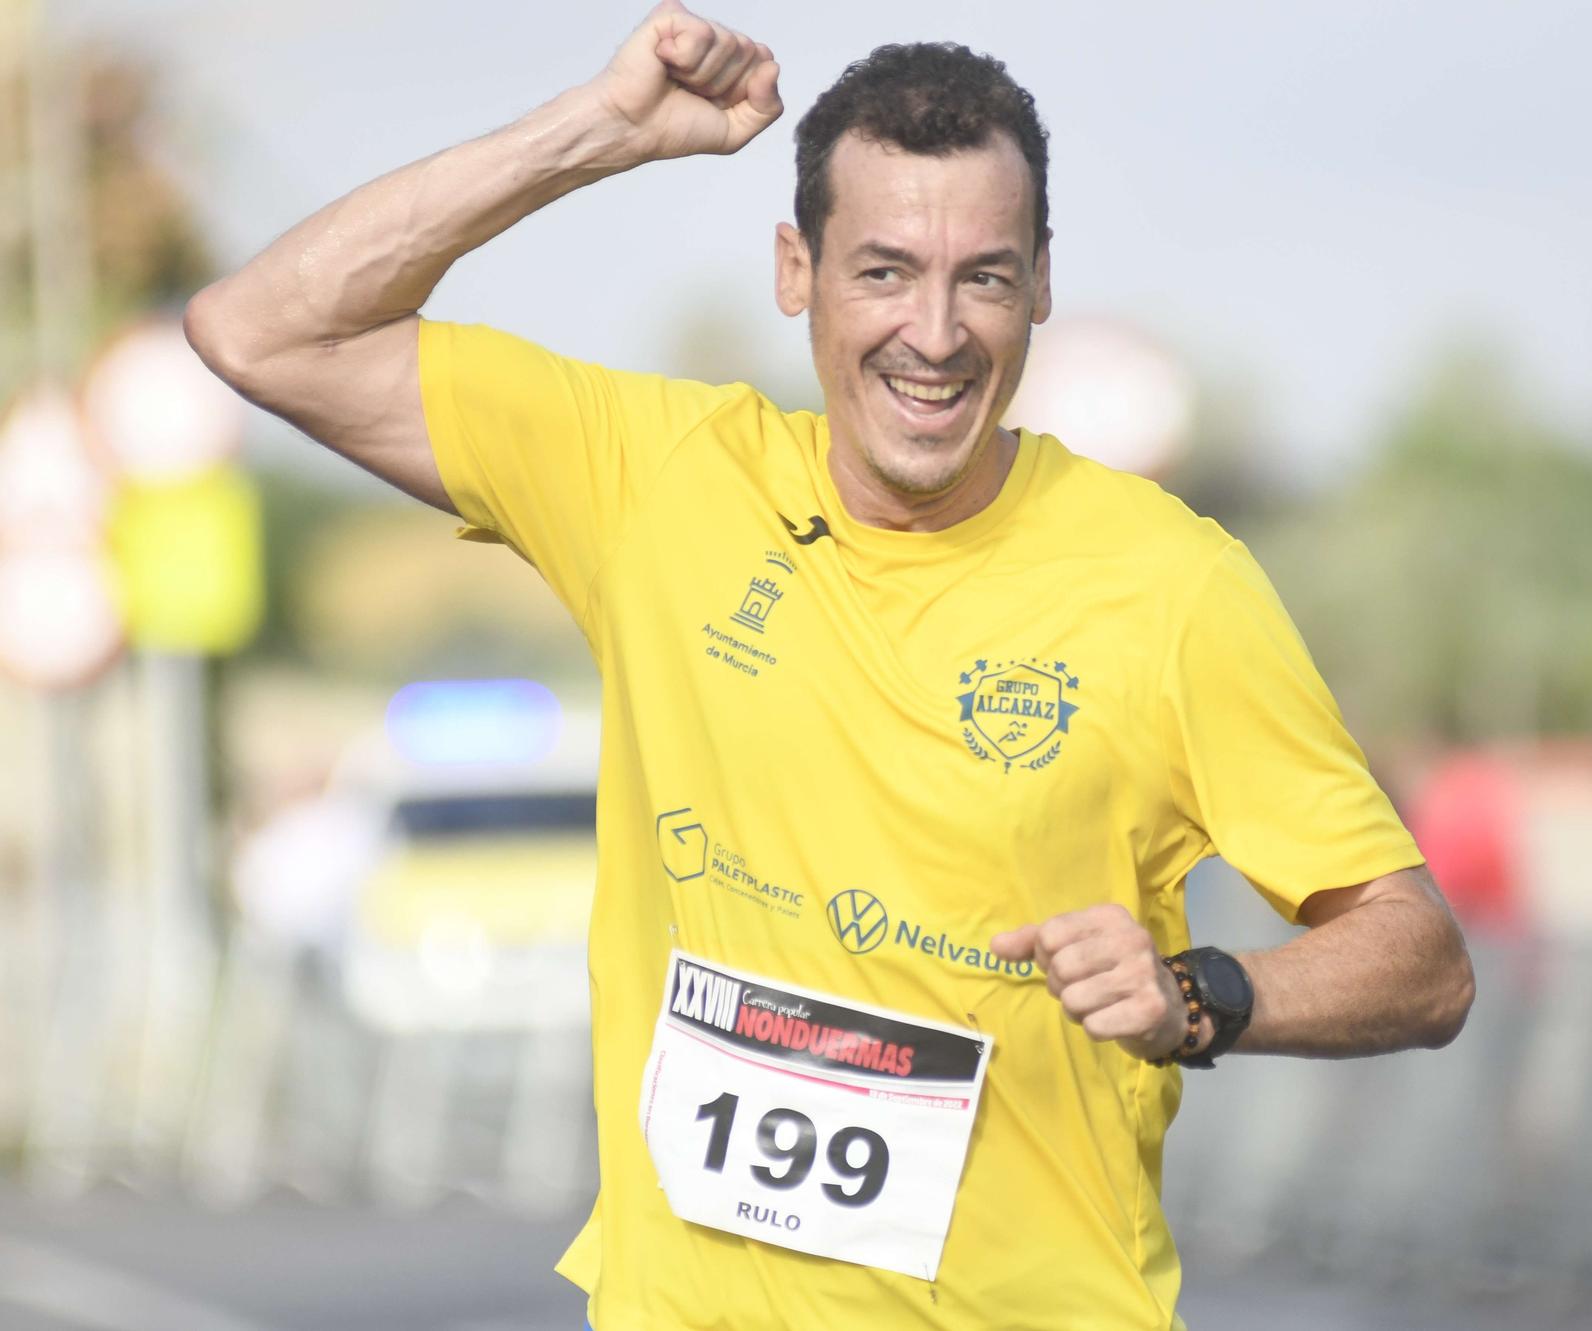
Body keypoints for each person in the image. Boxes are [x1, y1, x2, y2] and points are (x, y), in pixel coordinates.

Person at [185, 6, 1475, 1327]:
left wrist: (1200, 995)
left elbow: (1422, 958)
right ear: (794, 269)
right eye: (883, 270)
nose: (934, 331)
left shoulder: (1171, 584)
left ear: (1039, 283)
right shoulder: (660, 482)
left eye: (981, 274)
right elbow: (261, 330)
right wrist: (596, 132)